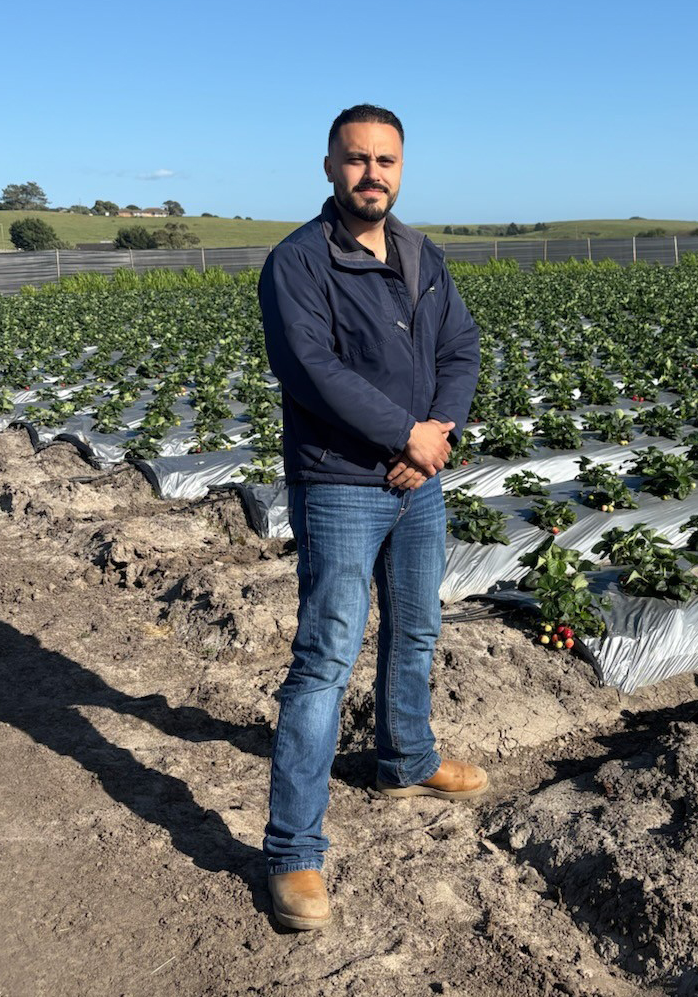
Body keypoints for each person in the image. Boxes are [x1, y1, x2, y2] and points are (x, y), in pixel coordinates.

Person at [257, 104, 484, 931]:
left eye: (385, 160)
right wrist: (404, 433)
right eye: (356, 160)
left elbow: (461, 347)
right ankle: (294, 852)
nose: (372, 174)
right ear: (328, 167)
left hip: (418, 480)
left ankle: (405, 758)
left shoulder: (422, 253)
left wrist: (436, 434)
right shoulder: (299, 263)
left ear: (401, 166)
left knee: (416, 629)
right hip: (341, 483)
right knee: (324, 660)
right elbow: (310, 371)